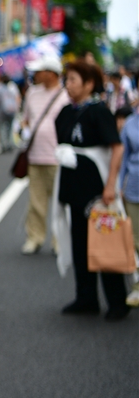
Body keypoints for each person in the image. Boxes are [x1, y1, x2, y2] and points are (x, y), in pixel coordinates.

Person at [53, 60, 130, 321]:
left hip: (96, 188)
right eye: (67, 80)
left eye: (73, 80)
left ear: (88, 84)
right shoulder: (66, 111)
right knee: (79, 243)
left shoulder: (99, 111)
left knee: (104, 240)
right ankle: (86, 297)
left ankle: (117, 301)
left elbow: (116, 148)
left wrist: (111, 185)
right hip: (73, 186)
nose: (68, 85)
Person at [20, 57, 70, 255]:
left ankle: (59, 242)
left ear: (50, 73)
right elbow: (25, 119)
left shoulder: (65, 95)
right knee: (36, 202)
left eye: (39, 71)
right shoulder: (32, 93)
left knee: (60, 204)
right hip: (35, 156)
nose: (35, 75)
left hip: (57, 158)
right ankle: (35, 237)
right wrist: (24, 131)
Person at [118, 107, 139, 307]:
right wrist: (117, 186)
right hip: (134, 189)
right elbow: (123, 157)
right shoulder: (130, 123)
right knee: (135, 240)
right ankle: (137, 286)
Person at [0, 74, 21, 152]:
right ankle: (10, 143)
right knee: (10, 128)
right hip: (12, 110)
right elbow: (17, 98)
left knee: (2, 128)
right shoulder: (13, 87)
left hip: (3, 111)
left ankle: (4, 145)